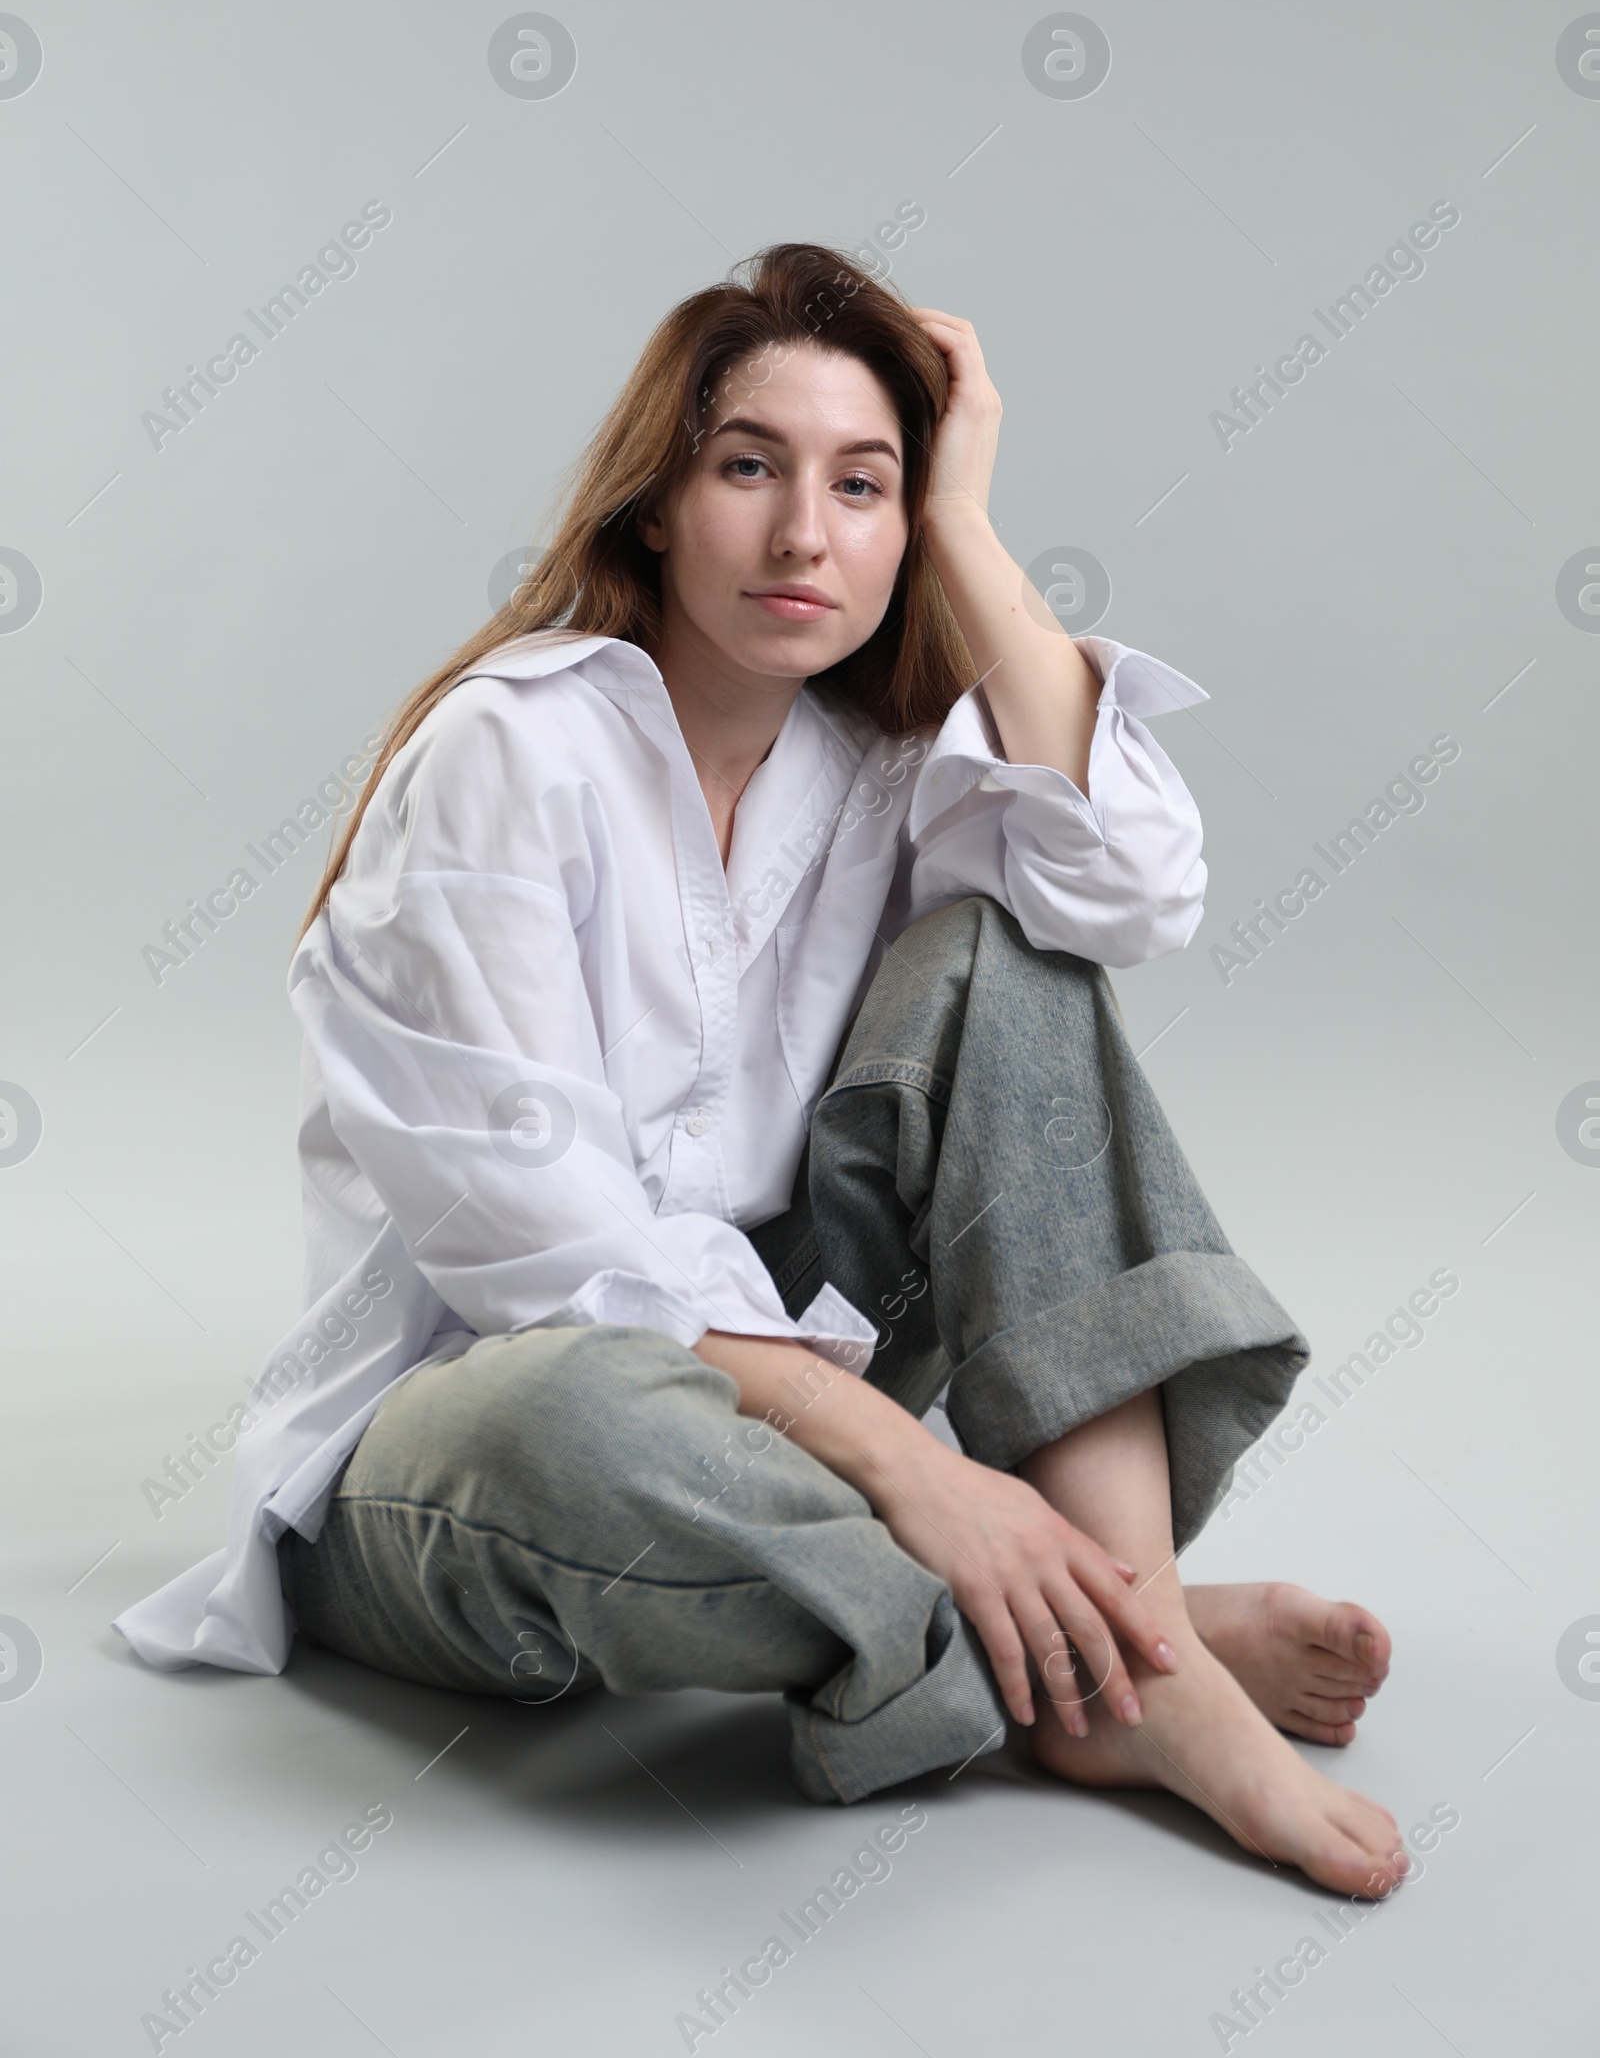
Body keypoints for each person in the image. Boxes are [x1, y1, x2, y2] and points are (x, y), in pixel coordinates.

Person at [116, 243, 1405, 1897]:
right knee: (584, 1409)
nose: (806, 534)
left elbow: (1134, 889)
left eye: (863, 487)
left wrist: (968, 524)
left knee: (1014, 957)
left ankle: (1117, 1634)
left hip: (783, 1397)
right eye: (750, 468)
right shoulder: (509, 751)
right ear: (658, 501)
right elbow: (552, 1248)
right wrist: (917, 1467)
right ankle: (1104, 1652)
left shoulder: (878, 769)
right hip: (476, 1434)